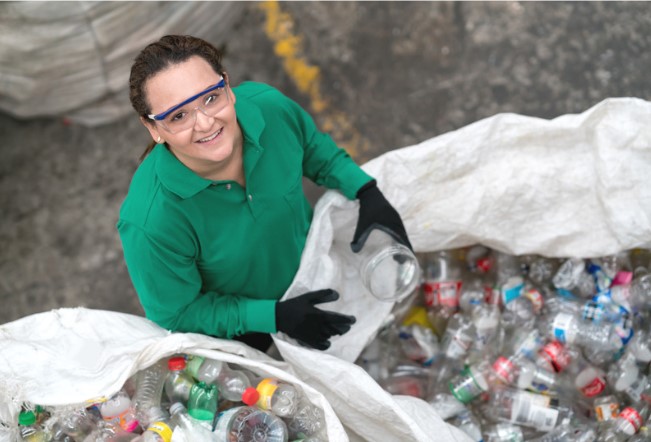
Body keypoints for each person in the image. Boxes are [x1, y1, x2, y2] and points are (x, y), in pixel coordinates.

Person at [118, 35, 412, 352]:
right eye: (178, 116)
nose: (204, 123)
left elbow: (311, 147)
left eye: (210, 98)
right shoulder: (150, 221)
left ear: (228, 87)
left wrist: (365, 190)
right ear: (153, 128)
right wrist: (272, 316)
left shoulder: (269, 110)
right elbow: (177, 312)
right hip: (240, 329)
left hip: (312, 271)